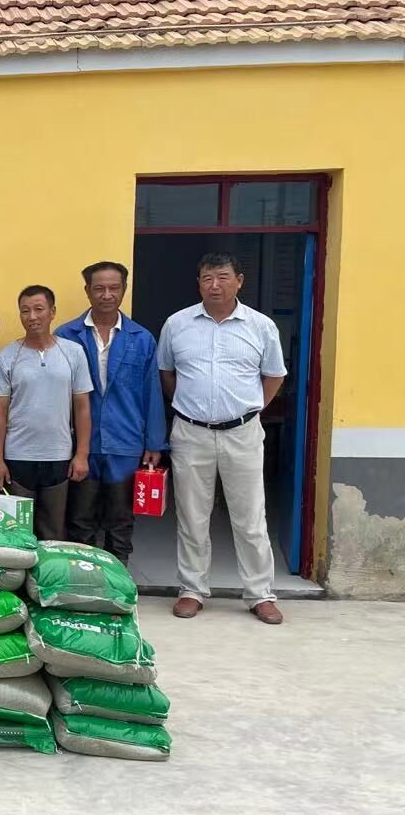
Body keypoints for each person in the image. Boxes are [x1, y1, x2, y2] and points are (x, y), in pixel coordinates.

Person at [158, 252, 288, 625]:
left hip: (243, 433)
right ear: (199, 283)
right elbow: (167, 373)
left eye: (222, 277)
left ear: (239, 281)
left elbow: (275, 375)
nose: (214, 285)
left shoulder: (261, 326)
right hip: (191, 432)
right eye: (207, 278)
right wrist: (191, 407)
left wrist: (250, 410)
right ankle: (192, 590)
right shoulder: (177, 324)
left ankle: (260, 594)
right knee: (192, 516)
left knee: (250, 517)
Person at [57, 262, 167, 565]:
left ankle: (118, 579)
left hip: (125, 442)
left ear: (124, 289)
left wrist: (154, 442)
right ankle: (83, 579)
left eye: (114, 288)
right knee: (80, 520)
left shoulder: (141, 338)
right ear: (87, 291)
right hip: (81, 445)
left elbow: (152, 393)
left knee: (120, 521)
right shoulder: (66, 336)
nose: (107, 295)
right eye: (99, 288)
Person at [0, 285, 93, 542]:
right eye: (25, 311)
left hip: (59, 455)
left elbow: (82, 407)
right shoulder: (6, 358)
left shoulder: (73, 353)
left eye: (39, 309)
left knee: (53, 531)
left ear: (52, 312)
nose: (32, 316)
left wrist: (81, 455)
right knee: (17, 533)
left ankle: (49, 570)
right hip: (17, 457)